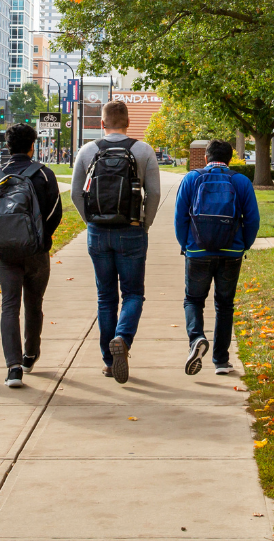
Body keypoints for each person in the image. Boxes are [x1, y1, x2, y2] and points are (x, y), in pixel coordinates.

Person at [70, 100, 163, 383]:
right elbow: (155, 194)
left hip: (98, 232)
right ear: (128, 122)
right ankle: (122, 338)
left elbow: (76, 193)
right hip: (132, 230)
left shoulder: (88, 151)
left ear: (102, 123)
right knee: (133, 294)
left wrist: (91, 222)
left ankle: (109, 362)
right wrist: (144, 223)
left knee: (105, 297)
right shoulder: (143, 150)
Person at [0, 123, 62, 388]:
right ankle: (30, 354)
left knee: (9, 304)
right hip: (36, 251)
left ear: (6, 145)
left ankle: (13, 367)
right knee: (34, 303)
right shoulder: (44, 175)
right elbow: (55, 213)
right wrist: (41, 237)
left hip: (5, 252)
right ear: (32, 146)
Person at [173, 139, 260, 376]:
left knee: (193, 300)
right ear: (230, 159)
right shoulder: (240, 181)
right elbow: (252, 219)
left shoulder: (192, 179)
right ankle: (221, 361)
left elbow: (180, 217)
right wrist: (244, 245)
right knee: (224, 305)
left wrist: (186, 245)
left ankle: (197, 340)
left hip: (198, 251)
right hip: (231, 252)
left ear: (206, 157)